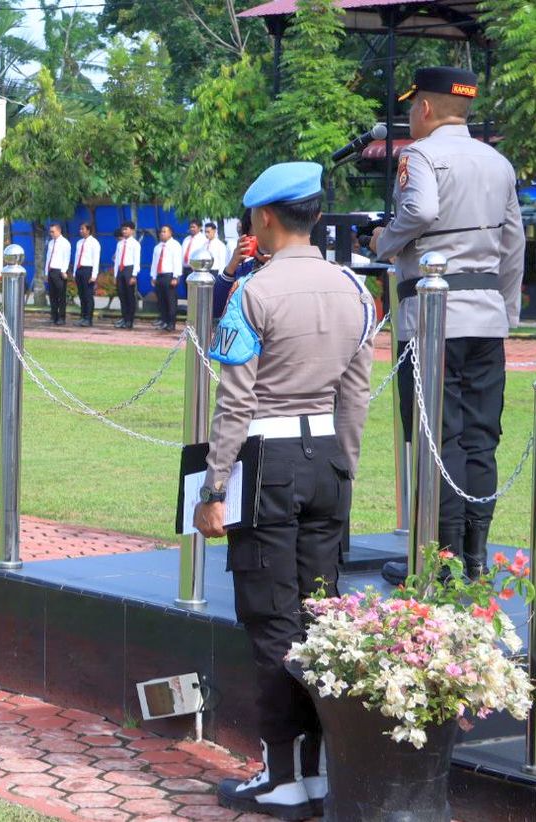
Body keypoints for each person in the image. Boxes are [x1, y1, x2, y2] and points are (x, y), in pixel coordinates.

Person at [194, 161, 374, 820]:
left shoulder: (252, 293)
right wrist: (342, 468)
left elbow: (234, 403)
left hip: (267, 462)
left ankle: (282, 774)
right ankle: (322, 766)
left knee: (273, 620)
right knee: (321, 615)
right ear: (315, 216)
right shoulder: (355, 289)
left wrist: (216, 484)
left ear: (265, 218)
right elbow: (355, 396)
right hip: (327, 458)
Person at [375, 67, 527, 584]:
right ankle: (475, 553)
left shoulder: (419, 155)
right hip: (485, 315)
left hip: (434, 318)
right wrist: (506, 312)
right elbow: (512, 247)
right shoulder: (498, 162)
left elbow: (420, 209)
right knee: (481, 438)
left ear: (424, 108)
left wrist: (384, 241)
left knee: (441, 437)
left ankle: (438, 559)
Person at [150, 225, 183, 331]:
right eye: (161, 231)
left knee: (171, 300)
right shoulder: (158, 247)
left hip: (169, 276)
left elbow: (177, 262)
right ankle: (164, 321)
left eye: (165, 231)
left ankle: (171, 323)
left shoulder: (175, 245)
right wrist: (153, 276)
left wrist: (176, 276)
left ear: (170, 233)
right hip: (160, 276)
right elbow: (154, 263)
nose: (162, 233)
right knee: (161, 300)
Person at [112, 222, 141, 329]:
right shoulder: (120, 244)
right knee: (122, 296)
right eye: (123, 229)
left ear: (132, 231)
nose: (124, 231)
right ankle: (124, 318)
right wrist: (115, 275)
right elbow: (117, 261)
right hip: (120, 270)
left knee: (130, 296)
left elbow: (136, 260)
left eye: (126, 229)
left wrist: (134, 275)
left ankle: (130, 320)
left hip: (129, 269)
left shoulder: (135, 244)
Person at [72, 223, 101, 327]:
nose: (80, 231)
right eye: (80, 229)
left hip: (88, 270)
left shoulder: (94, 243)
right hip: (80, 270)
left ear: (88, 230)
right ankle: (82, 317)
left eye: (82, 229)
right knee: (81, 295)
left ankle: (88, 319)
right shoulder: (79, 243)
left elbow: (96, 260)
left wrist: (94, 275)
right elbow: (76, 257)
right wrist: (75, 271)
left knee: (88, 296)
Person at [42, 223, 71, 325]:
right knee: (52, 295)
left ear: (59, 231)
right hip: (51, 271)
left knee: (61, 296)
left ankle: (61, 317)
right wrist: (46, 272)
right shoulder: (50, 243)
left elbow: (66, 258)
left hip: (59, 271)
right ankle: (53, 316)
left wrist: (64, 270)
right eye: (50, 232)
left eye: (53, 231)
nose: (51, 234)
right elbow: (48, 258)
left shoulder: (65, 243)